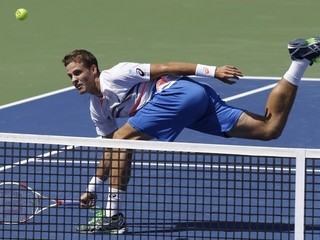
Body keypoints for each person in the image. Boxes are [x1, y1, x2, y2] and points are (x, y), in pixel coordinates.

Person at [62, 36, 320, 234]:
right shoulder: (98, 110)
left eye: (78, 72)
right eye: (70, 76)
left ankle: (111, 216)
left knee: (122, 140)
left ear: (93, 70)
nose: (74, 79)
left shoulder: (117, 74)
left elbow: (166, 66)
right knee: (268, 129)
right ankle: (300, 60)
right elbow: (111, 152)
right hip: (194, 104)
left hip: (180, 93)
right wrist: (91, 188)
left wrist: (213, 70)